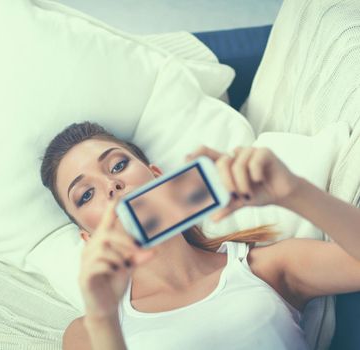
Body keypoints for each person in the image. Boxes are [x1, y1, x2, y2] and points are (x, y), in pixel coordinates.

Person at [39, 121, 360, 350]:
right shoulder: (91, 330)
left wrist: (294, 192)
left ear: (157, 176)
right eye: (85, 194)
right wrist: (104, 317)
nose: (111, 186)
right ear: (88, 238)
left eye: (118, 165)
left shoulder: (262, 266)